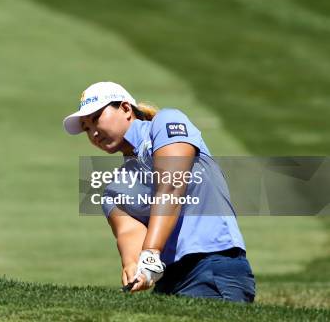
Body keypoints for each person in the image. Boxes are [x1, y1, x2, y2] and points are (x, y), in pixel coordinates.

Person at [63, 81, 255, 302]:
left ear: (126, 109)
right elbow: (129, 233)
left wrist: (152, 251)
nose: (93, 133)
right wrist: (136, 268)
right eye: (87, 128)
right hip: (169, 280)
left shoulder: (166, 122)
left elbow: (172, 183)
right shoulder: (113, 189)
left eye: (96, 118)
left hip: (213, 265)